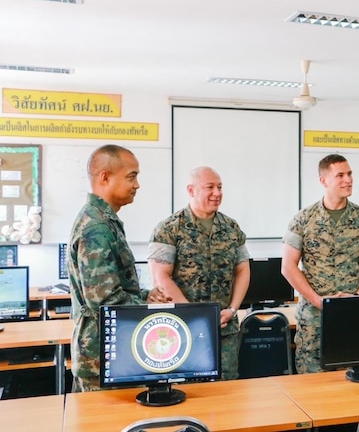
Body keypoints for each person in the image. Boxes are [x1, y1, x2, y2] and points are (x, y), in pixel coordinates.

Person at [68, 144, 168, 392]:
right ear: (105, 177)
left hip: (112, 352)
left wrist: (145, 296)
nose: (137, 185)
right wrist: (149, 306)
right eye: (132, 176)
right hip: (102, 358)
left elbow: (113, 287)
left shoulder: (104, 220)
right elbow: (105, 301)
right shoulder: (97, 227)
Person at [281, 153, 359, 373]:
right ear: (324, 181)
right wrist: (319, 301)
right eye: (340, 175)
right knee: (311, 386)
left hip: (353, 316)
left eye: (349, 174)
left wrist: (356, 298)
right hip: (314, 319)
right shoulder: (303, 219)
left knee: (354, 383)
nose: (348, 180)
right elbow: (288, 267)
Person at [148, 166, 251, 380]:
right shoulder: (168, 228)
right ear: (191, 190)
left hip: (224, 329)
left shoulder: (232, 228)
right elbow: (161, 277)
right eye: (210, 187)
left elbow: (242, 270)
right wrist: (197, 316)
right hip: (181, 331)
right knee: (187, 391)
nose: (217, 193)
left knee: (226, 391)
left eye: (220, 187)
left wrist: (232, 309)